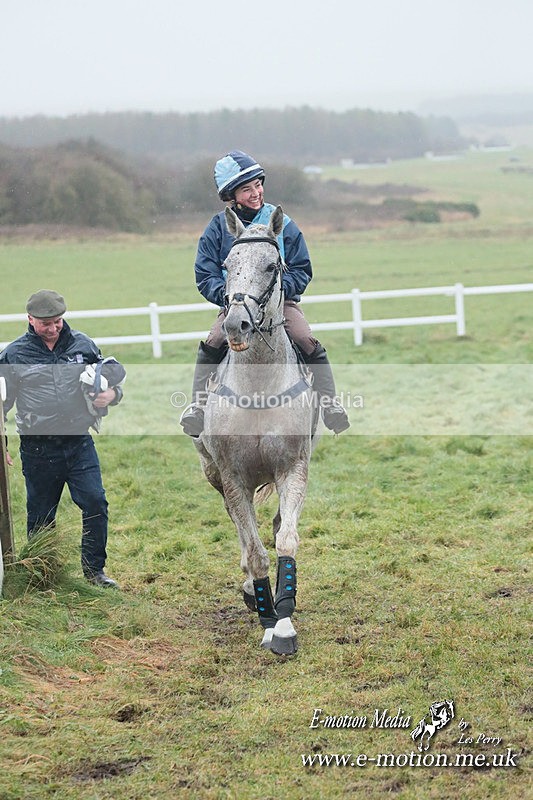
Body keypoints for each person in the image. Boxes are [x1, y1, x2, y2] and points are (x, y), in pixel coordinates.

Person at [180, 150, 350, 437]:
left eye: (258, 184)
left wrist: (280, 293)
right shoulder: (217, 228)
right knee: (215, 339)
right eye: (246, 189)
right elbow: (205, 274)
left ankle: (330, 404)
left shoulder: (283, 223)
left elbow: (301, 268)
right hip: (236, 306)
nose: (256, 192)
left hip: (279, 304)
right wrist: (232, 297)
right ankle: (198, 406)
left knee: (304, 338)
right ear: (231, 196)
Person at [0, 290, 126, 588]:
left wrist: (112, 395)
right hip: (38, 448)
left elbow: (107, 379)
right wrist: (1, 445)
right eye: (46, 323)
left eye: (57, 321)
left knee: (96, 502)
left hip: (79, 442)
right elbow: (0, 404)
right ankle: (42, 575)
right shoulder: (13, 355)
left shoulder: (83, 344)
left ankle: (94, 572)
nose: (53, 328)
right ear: (30, 320)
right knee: (41, 515)